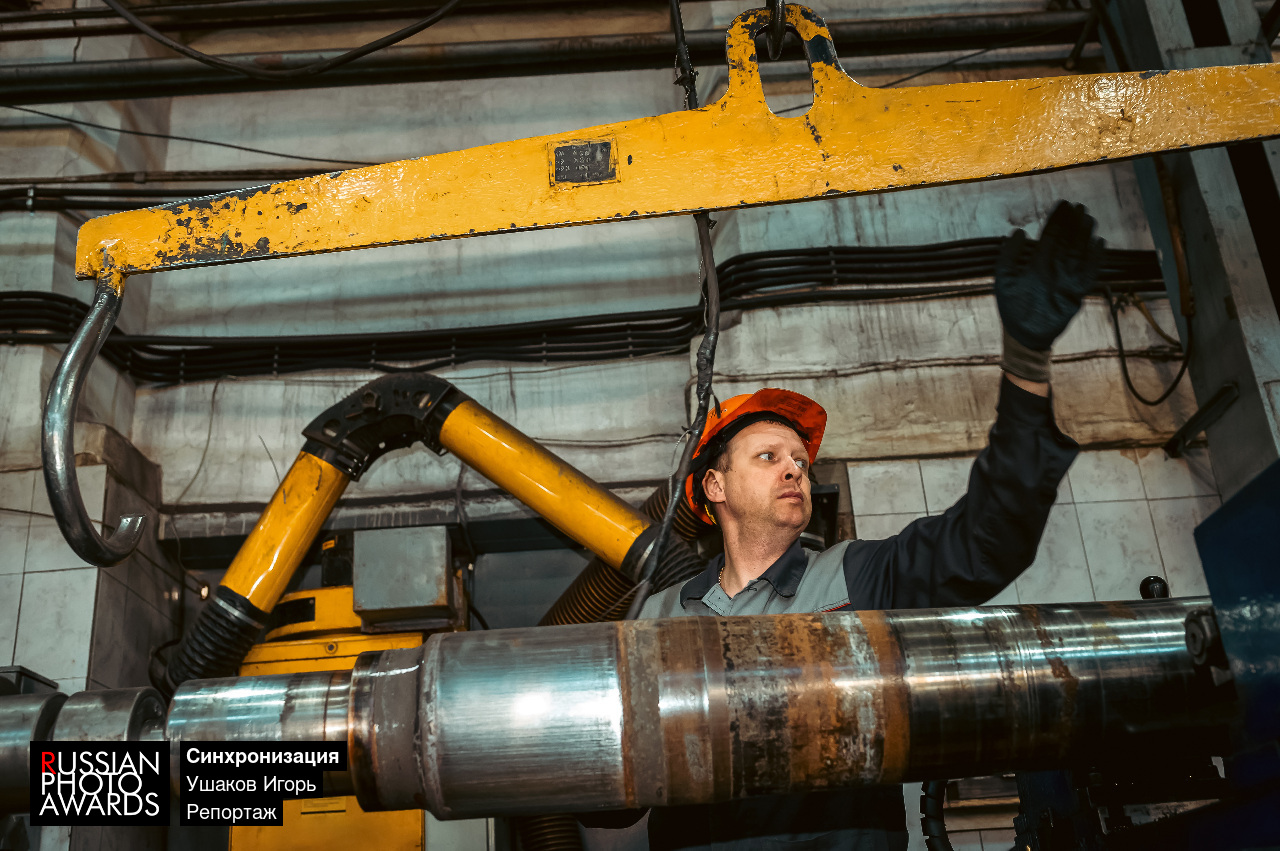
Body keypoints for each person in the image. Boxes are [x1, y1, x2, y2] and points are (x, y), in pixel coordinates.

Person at [600, 201, 1100, 851]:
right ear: (714, 487)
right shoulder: (655, 617)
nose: (795, 470)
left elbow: (987, 541)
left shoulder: (858, 576)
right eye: (769, 457)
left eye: (800, 462)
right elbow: (610, 802)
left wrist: (1027, 363)